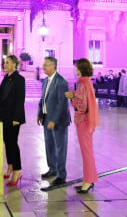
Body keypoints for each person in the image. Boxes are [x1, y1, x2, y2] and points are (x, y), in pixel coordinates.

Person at [65, 58, 100, 194]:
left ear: (81, 69)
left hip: (83, 121)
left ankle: (89, 181)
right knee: (86, 151)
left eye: (77, 67)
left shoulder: (83, 83)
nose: (75, 69)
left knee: (87, 152)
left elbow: (82, 104)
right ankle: (87, 179)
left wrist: (71, 97)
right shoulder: (85, 82)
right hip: (85, 121)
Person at [37, 57, 70, 187]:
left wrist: (54, 120)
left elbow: (62, 104)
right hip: (46, 118)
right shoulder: (45, 80)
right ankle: (52, 169)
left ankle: (61, 175)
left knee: (60, 148)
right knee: (49, 146)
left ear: (53, 66)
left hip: (58, 121)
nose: (43, 67)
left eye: (45, 65)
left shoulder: (61, 81)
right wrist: (40, 114)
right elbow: (43, 99)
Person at [0, 55, 25, 186]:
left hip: (13, 118)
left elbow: (20, 100)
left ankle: (17, 170)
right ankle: (10, 166)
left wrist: (17, 118)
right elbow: (0, 98)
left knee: (12, 143)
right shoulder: (6, 78)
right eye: (4, 62)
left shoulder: (19, 79)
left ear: (14, 65)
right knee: (7, 142)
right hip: (3, 117)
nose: (4, 65)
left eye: (7, 63)